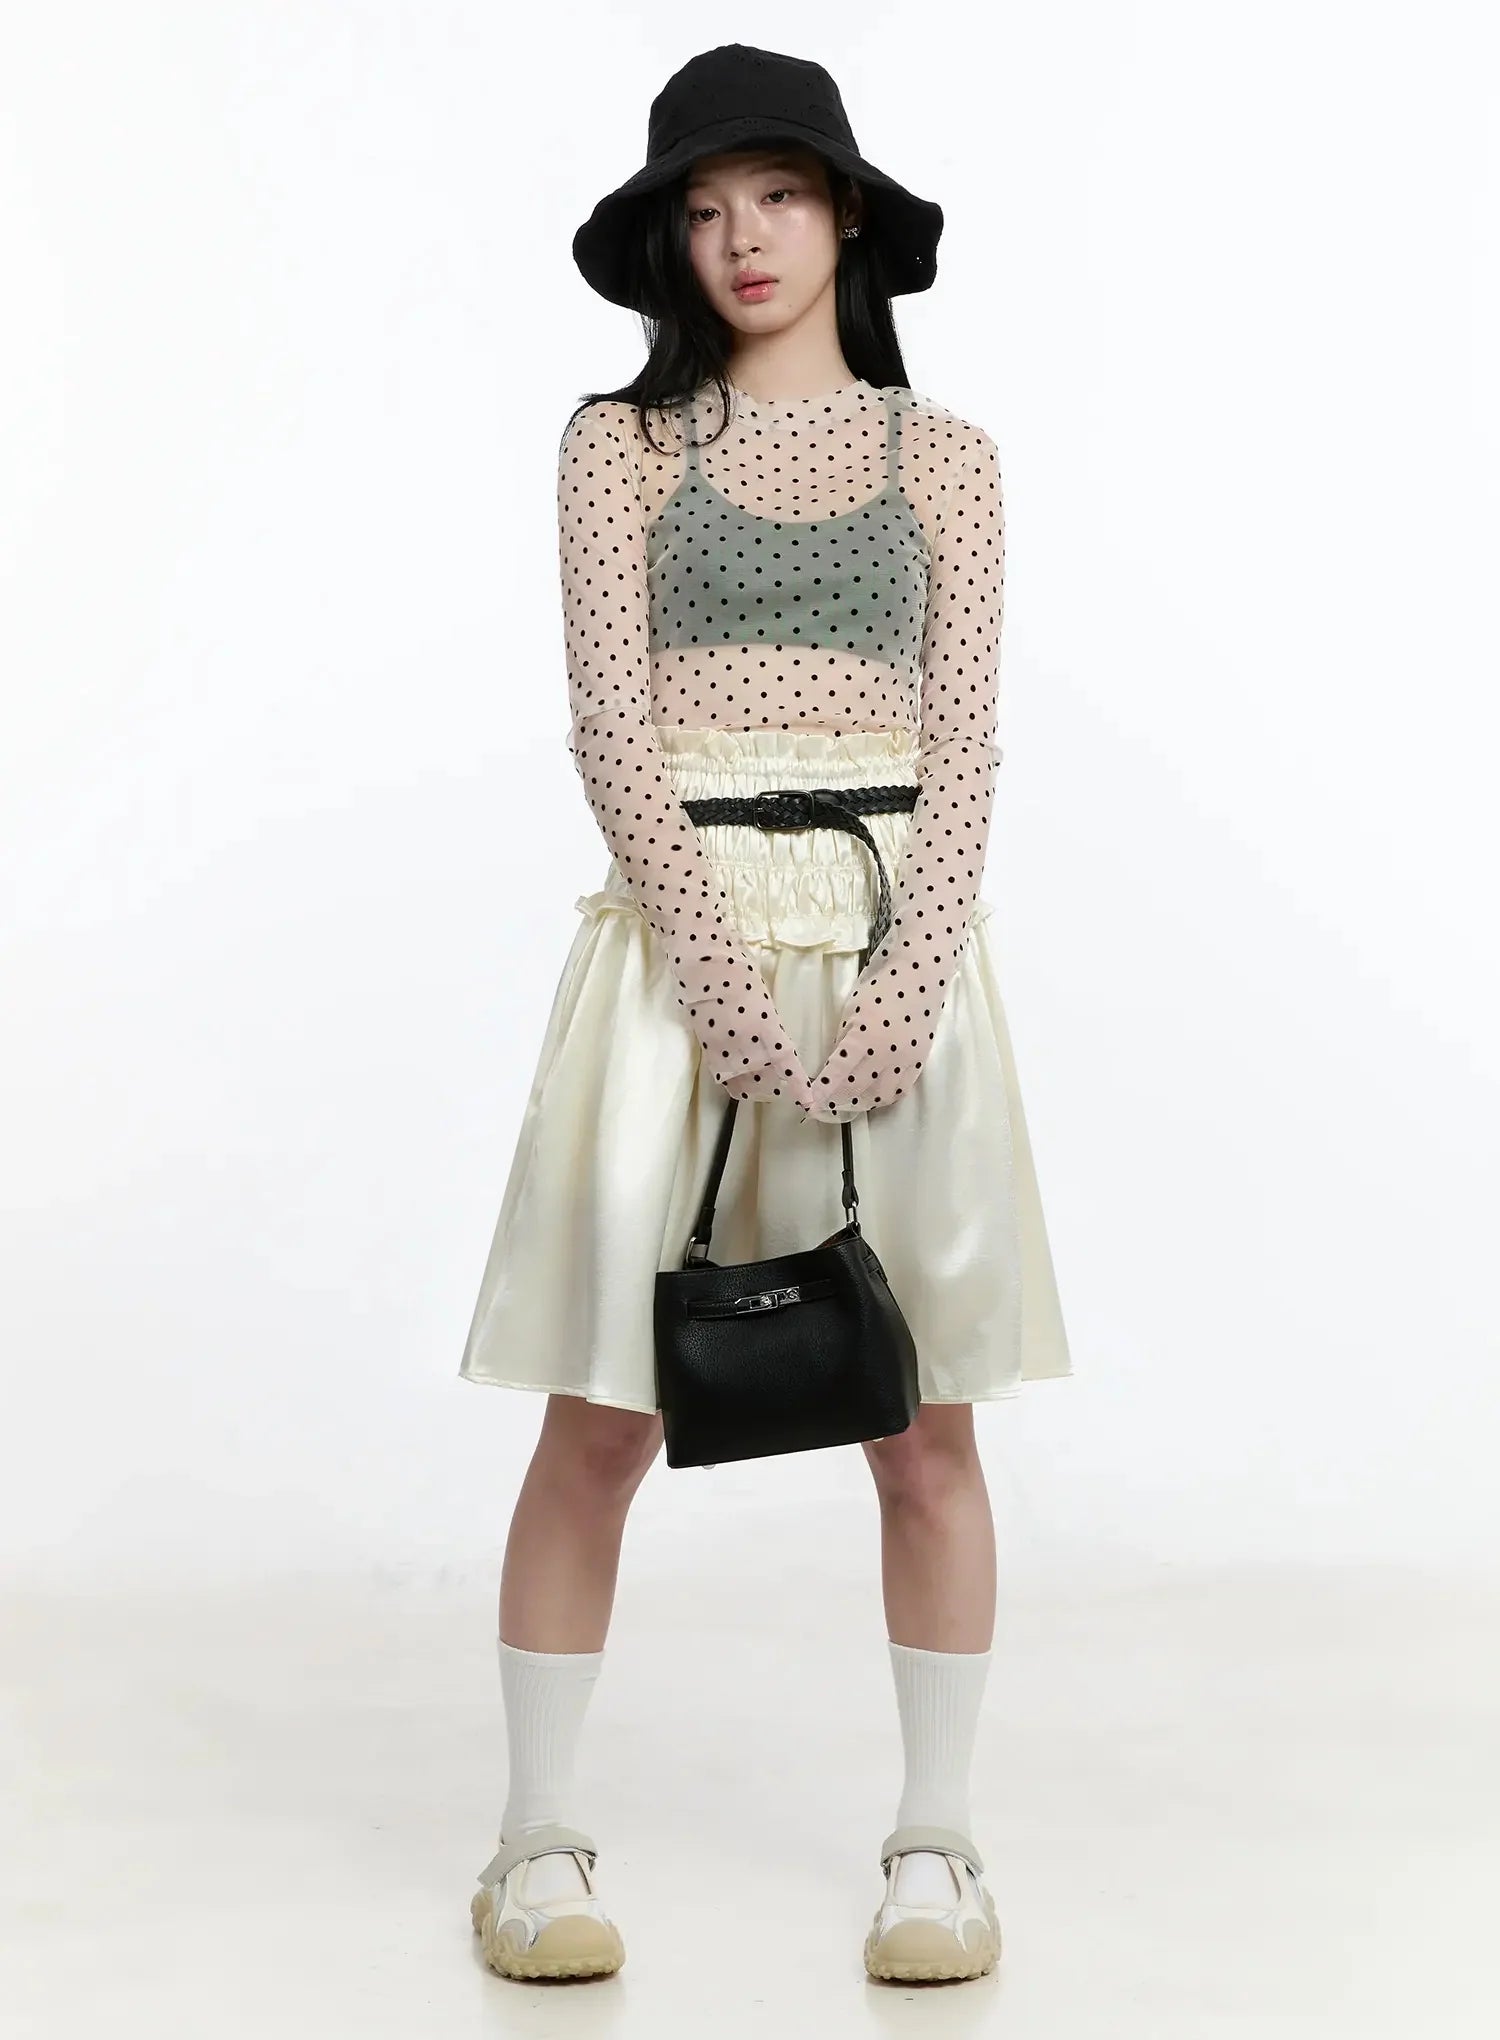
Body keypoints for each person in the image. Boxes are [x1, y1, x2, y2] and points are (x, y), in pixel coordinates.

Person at [460, 42, 1073, 1987]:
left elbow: (964, 747)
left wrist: (905, 986)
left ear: (847, 219)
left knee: (926, 1422)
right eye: (708, 210)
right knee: (599, 1416)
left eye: (780, 198)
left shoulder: (949, 459)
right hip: (675, 962)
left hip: (899, 949)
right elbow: (612, 733)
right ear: (672, 241)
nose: (744, 239)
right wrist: (721, 981)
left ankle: (938, 1846)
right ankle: (534, 1845)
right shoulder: (616, 448)